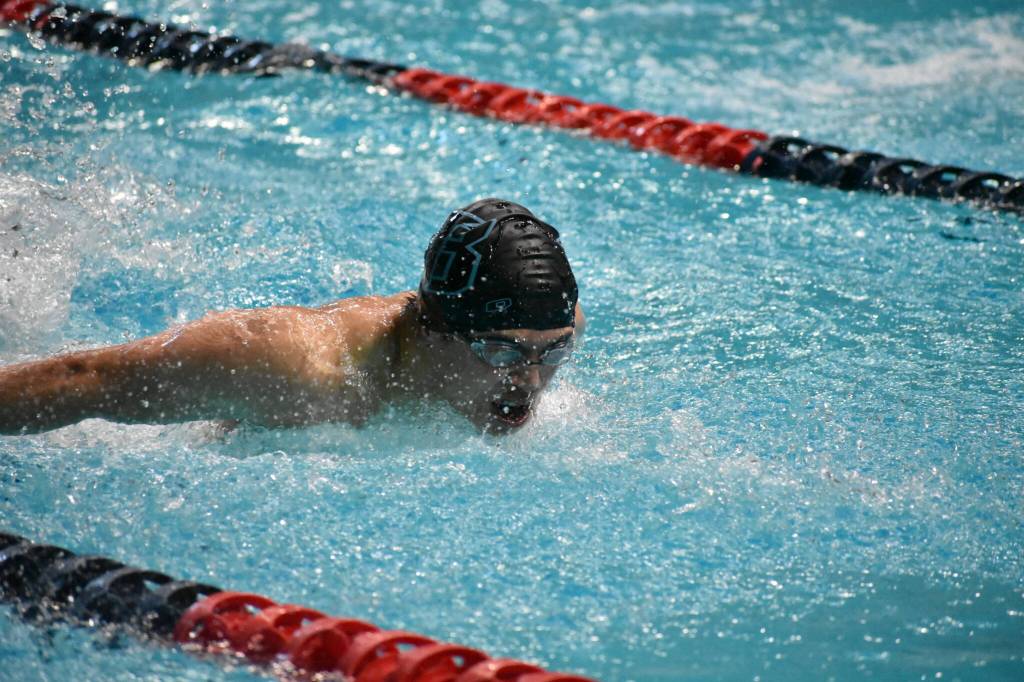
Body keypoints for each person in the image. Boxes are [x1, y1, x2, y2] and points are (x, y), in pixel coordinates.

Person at [0, 199, 583, 435]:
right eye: (503, 352)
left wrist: (529, 345)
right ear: (436, 326)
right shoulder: (292, 364)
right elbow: (85, 379)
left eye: (551, 353)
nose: (530, 381)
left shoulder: (556, 322)